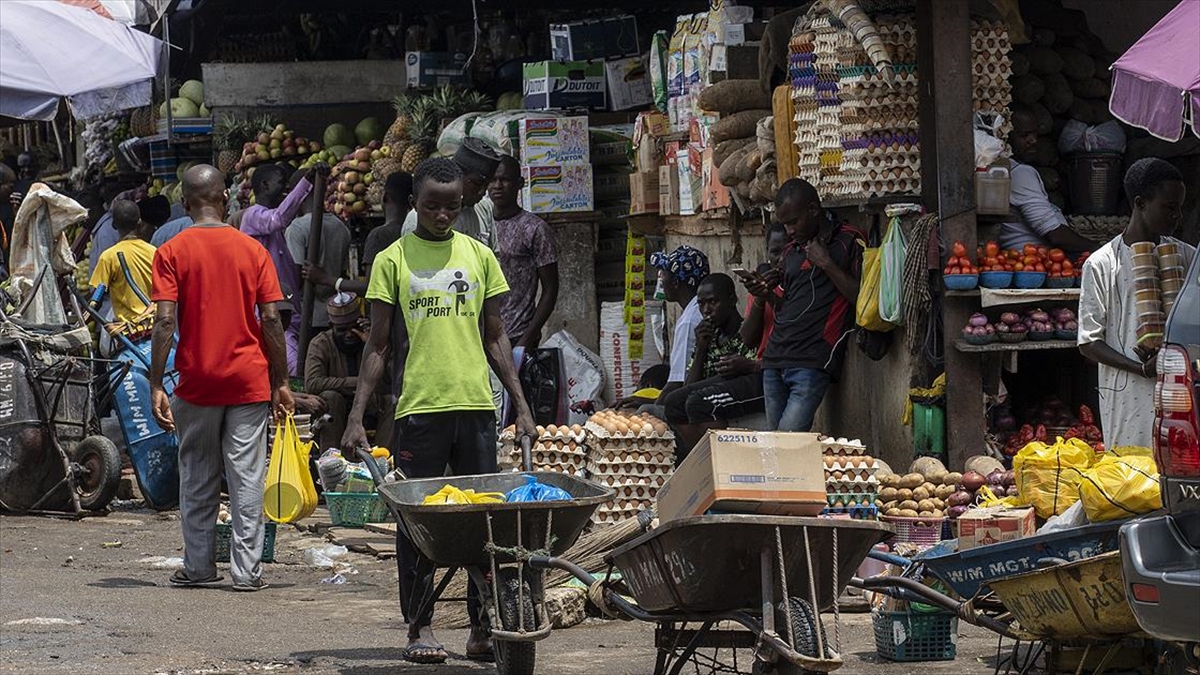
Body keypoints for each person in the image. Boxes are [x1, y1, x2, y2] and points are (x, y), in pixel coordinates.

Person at [342, 157, 536, 665]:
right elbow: (379, 346)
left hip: (475, 406)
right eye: (431, 205)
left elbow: (496, 335)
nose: (442, 215)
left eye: (452, 206)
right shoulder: (393, 259)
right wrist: (356, 415)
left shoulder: (478, 256)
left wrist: (521, 405)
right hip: (420, 409)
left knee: (482, 524)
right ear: (414, 204)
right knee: (419, 525)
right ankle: (420, 625)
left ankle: (481, 627)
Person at [148, 164, 293, 592]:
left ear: (185, 203)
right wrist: (281, 380)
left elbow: (164, 323)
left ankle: (198, 567)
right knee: (247, 476)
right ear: (225, 198)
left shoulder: (171, 251)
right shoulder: (253, 251)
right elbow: (270, 320)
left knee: (196, 473)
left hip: (196, 379)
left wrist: (156, 383)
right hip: (248, 379)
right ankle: (247, 573)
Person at [1078, 158, 1195, 449]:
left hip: (1182, 388)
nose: (1177, 215)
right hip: (1127, 393)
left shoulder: (1189, 257)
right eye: (1169, 207)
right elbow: (1088, 342)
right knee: (1132, 475)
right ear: (1141, 203)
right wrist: (1141, 368)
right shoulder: (1102, 264)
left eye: (1180, 207)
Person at [745, 178, 862, 432]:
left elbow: (860, 299)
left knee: (787, 444)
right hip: (775, 360)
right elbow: (787, 308)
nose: (788, 231)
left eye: (793, 222)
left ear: (813, 210)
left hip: (811, 361)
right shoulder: (791, 251)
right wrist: (765, 294)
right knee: (776, 451)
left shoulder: (847, 242)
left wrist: (827, 264)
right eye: (785, 224)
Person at [240, 162, 328, 376]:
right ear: (265, 185)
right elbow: (278, 219)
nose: (286, 189)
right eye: (281, 184)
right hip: (273, 314)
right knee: (295, 370)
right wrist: (306, 181)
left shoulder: (275, 231)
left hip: (290, 313)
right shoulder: (254, 216)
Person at [662, 273, 758, 457]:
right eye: (701, 304)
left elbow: (750, 368)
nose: (706, 310)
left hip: (739, 389)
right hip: (709, 389)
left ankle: (721, 460)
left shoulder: (745, 330)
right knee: (673, 403)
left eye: (713, 302)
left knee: (697, 403)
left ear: (731, 300)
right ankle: (702, 459)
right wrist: (701, 348)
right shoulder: (708, 335)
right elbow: (689, 385)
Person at [1001, 105, 1099, 253]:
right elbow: (1055, 235)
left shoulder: (1009, 170)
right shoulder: (1020, 174)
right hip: (1034, 260)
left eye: (1035, 134)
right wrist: (1098, 248)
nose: (1033, 140)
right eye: (1024, 135)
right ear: (1006, 136)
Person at [304, 293, 392, 451]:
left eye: (354, 328)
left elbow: (388, 381)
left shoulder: (369, 341)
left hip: (368, 406)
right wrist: (359, 383)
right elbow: (313, 384)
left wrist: (371, 343)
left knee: (391, 402)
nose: (349, 334)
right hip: (335, 410)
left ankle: (381, 457)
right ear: (332, 327)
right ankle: (331, 458)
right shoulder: (321, 343)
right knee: (331, 397)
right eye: (342, 330)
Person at [490, 155, 559, 349]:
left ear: (519, 183)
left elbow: (551, 289)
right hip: (481, 337)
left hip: (517, 336)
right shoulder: (480, 224)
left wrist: (527, 338)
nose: (497, 186)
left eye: (504, 180)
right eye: (493, 180)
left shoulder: (535, 229)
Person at [285, 170, 352, 334]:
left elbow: (295, 279)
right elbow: (342, 274)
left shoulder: (297, 228)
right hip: (333, 314)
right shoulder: (340, 226)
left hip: (308, 317)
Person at [400, 138, 499, 249]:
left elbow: (494, 255)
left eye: (487, 185)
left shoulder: (484, 208)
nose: (483, 192)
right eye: (477, 183)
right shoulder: (418, 219)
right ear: (458, 176)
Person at [650, 245, 711, 406]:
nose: (661, 280)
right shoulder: (695, 311)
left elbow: (678, 381)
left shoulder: (689, 321)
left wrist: (651, 410)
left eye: (664, 275)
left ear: (676, 282)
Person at [88, 199, 155, 330]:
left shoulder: (109, 257)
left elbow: (97, 297)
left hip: (127, 333)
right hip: (152, 328)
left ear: (114, 225)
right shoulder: (154, 252)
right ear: (140, 222)